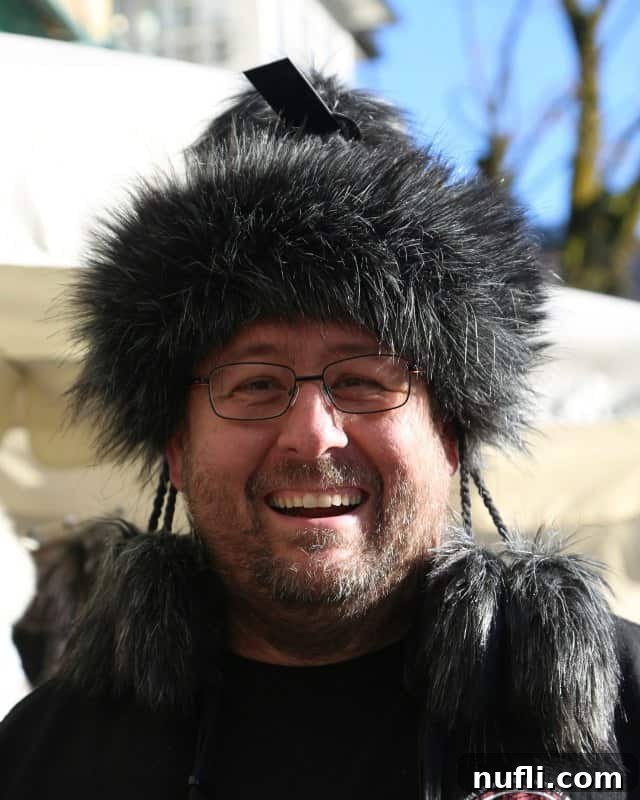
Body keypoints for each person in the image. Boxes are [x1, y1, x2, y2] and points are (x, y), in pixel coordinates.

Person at [1, 59, 638, 800]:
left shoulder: (611, 716)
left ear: (453, 434)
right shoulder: (46, 762)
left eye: (364, 382)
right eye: (256, 384)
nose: (311, 435)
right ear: (176, 447)